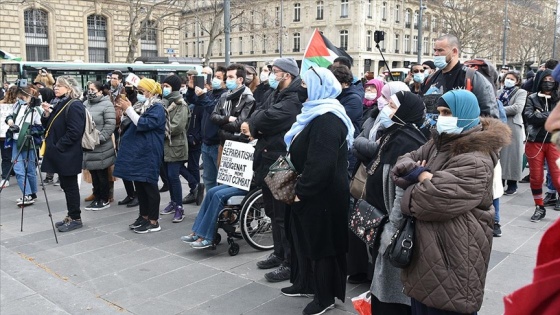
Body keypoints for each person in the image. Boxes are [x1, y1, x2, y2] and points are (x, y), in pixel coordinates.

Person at [392, 89, 511, 315]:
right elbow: (401, 164)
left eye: (447, 112)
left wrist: (414, 180)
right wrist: (421, 175)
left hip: (453, 258)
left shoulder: (476, 158)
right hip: (428, 255)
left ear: (465, 114)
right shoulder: (439, 143)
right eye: (439, 112)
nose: (441, 118)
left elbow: (427, 201)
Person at [282, 66, 354, 315]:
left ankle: (324, 297)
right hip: (307, 192)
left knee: (322, 246)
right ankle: (305, 283)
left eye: (304, 84)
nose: (300, 88)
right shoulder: (314, 113)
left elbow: (320, 164)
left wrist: (301, 190)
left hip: (322, 196)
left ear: (317, 87)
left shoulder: (328, 119)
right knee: (303, 240)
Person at [241, 57, 303, 283]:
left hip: (280, 161)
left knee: (281, 215)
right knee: (272, 212)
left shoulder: (294, 97)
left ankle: (288, 261)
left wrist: (255, 124)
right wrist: (255, 122)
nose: (270, 74)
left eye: (274, 71)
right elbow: (259, 112)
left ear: (286, 74)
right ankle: (278, 253)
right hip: (267, 158)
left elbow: (271, 117)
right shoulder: (274, 93)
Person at [367, 91, 427, 314]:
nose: (386, 109)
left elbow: (401, 191)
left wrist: (390, 231)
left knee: (391, 289)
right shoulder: (393, 134)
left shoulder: (407, 141)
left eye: (392, 105)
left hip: (394, 227)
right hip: (383, 221)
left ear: (404, 111)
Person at [349, 81, 410, 285]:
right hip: (366, 178)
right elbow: (358, 142)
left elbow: (378, 150)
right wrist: (366, 147)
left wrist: (366, 147)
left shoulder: (403, 133)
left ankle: (373, 274)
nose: (382, 101)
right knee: (363, 223)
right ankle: (361, 270)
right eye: (383, 97)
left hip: (383, 188)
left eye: (387, 98)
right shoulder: (374, 116)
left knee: (379, 228)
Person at [114, 78, 166, 233]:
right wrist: (125, 111)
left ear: (150, 92)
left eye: (142, 91)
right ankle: (143, 216)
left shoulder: (158, 107)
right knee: (140, 185)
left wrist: (129, 109)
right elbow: (130, 122)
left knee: (149, 186)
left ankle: (153, 220)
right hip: (139, 152)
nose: (139, 93)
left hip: (149, 152)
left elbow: (143, 123)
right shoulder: (143, 105)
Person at [41, 76, 86, 232]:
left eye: (60, 86)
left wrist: (58, 146)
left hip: (68, 154)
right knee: (66, 186)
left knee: (71, 186)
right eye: (55, 85)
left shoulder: (74, 105)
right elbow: (50, 125)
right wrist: (47, 113)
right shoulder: (61, 103)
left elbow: (75, 132)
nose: (56, 88)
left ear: (69, 88)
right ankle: (71, 215)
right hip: (62, 153)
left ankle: (76, 218)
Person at [420, 34, 499, 118]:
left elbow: (489, 116)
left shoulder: (472, 78)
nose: (435, 54)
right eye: (435, 50)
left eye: (440, 50)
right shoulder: (430, 79)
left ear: (454, 51)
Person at [524, 69, 560, 222]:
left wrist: (542, 114)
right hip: (535, 142)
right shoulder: (532, 98)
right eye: (545, 79)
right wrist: (549, 115)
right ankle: (539, 207)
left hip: (554, 143)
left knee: (558, 178)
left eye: (551, 80)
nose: (548, 82)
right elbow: (529, 117)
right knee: (536, 177)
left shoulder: (558, 98)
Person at [186, 66, 227, 192]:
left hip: (216, 144)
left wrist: (203, 96)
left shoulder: (224, 96)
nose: (214, 79)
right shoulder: (210, 93)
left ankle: (221, 208)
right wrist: (191, 89)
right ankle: (210, 203)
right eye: (214, 76)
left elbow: (213, 111)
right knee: (208, 178)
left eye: (218, 77)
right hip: (206, 143)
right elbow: (192, 100)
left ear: (224, 82)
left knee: (220, 180)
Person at [159, 74, 190, 223]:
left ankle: (179, 207)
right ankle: (173, 201)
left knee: (173, 176)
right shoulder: (164, 102)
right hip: (166, 146)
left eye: (167, 86)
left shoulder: (180, 104)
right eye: (163, 86)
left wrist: (159, 130)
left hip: (176, 146)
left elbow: (177, 127)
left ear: (174, 88)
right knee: (168, 177)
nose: (164, 89)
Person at [4, 86, 43, 206]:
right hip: (16, 141)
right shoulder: (18, 105)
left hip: (28, 142)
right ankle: (27, 194)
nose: (21, 99)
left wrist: (28, 131)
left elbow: (41, 128)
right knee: (18, 169)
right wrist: (11, 124)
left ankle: (31, 194)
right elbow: (9, 116)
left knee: (30, 169)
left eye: (23, 97)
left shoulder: (36, 109)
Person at [83, 81, 116, 211]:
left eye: (93, 89)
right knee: (93, 174)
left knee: (102, 174)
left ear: (100, 91)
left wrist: (99, 139)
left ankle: (104, 198)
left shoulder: (107, 104)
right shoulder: (85, 103)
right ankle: (97, 197)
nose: (90, 92)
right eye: (89, 89)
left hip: (101, 146)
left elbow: (110, 125)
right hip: (88, 145)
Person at [180, 184, 246, 248]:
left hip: (248, 185)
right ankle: (197, 231)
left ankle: (207, 236)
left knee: (218, 195)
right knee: (210, 192)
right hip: (238, 183)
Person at [211, 64, 255, 147]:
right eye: (227, 77)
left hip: (238, 146)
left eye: (231, 77)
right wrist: (227, 118)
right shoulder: (224, 96)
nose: (227, 80)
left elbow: (238, 125)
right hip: (223, 143)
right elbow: (213, 117)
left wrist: (221, 124)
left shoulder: (249, 99)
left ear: (240, 79)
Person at [330, 64, 363, 174]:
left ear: (345, 83)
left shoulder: (354, 99)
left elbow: (335, 119)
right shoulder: (336, 96)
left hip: (348, 151)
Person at [499, 72, 527, 196]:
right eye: (507, 78)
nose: (508, 80)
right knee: (500, 156)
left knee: (512, 156)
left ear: (517, 81)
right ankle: (499, 183)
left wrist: (499, 109)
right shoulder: (499, 92)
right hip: (499, 125)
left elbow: (517, 108)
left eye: (512, 79)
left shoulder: (521, 92)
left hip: (513, 125)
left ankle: (512, 184)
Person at [117, 82, 139, 208]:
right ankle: (130, 194)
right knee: (124, 168)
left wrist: (128, 110)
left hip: (132, 137)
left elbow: (136, 118)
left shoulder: (137, 100)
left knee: (132, 169)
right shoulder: (123, 96)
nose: (128, 86)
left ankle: (136, 195)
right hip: (123, 135)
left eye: (130, 84)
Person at [1, 86, 18, 188]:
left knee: (5, 157)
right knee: (17, 155)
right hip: (15, 134)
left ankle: (5, 178)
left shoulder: (1, 103)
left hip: (3, 135)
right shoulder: (19, 106)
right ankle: (12, 172)